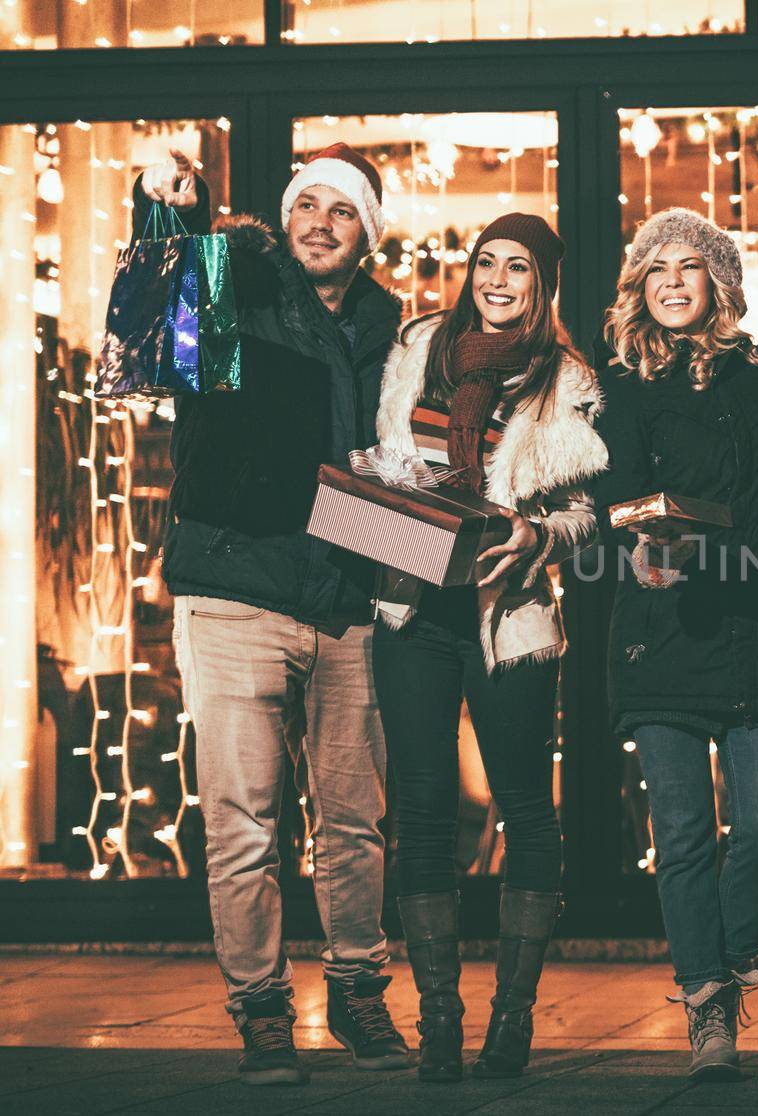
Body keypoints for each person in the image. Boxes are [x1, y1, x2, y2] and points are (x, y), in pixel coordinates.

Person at [136, 144, 408, 1085]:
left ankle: (358, 995)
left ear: (368, 234)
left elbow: (392, 469)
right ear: (286, 220)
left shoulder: (391, 332)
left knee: (354, 821)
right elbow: (151, 340)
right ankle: (260, 1009)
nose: (320, 221)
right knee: (244, 824)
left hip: (348, 603)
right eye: (307, 205)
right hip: (234, 590)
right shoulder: (237, 287)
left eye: (343, 210)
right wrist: (164, 213)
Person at [372, 214, 608, 1082]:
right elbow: (387, 466)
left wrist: (537, 532)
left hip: (508, 619)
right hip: (411, 611)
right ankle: (439, 1018)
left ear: (542, 283)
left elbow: (588, 517)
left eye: (518, 268)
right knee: (424, 809)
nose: (497, 280)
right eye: (485, 263)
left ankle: (512, 1019)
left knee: (526, 808)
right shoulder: (421, 350)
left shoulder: (565, 379)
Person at [592, 208, 758, 1082]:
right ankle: (708, 1000)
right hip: (662, 630)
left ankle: (731, 950)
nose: (673, 282)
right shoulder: (621, 387)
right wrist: (645, 545)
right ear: (639, 288)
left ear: (719, 283)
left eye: (691, 267)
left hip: (756, 620)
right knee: (681, 834)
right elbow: (619, 501)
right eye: (656, 270)